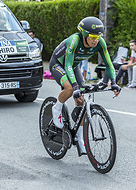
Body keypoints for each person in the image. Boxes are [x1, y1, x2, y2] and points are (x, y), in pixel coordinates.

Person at [49, 16, 121, 154]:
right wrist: (75, 87)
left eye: (98, 36)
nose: (96, 40)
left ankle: (79, 136)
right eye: (93, 37)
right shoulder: (75, 40)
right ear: (84, 34)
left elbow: (109, 64)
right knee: (70, 88)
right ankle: (57, 107)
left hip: (73, 66)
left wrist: (114, 82)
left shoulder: (100, 43)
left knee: (82, 101)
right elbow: (68, 64)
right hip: (59, 64)